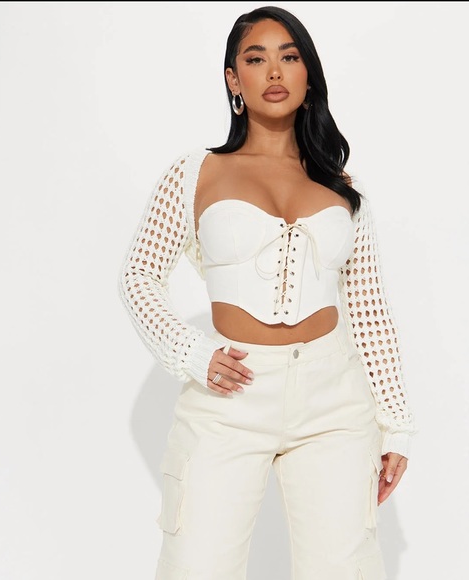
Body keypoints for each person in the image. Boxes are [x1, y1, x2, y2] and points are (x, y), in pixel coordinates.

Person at [118, 5, 417, 580]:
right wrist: (191, 352)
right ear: (234, 79)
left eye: (290, 57)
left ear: (308, 75)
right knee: (196, 566)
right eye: (256, 59)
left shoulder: (343, 188)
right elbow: (139, 276)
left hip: (334, 402)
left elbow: (370, 310)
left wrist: (396, 423)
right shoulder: (195, 172)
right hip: (230, 396)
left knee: (344, 570)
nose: (274, 72)